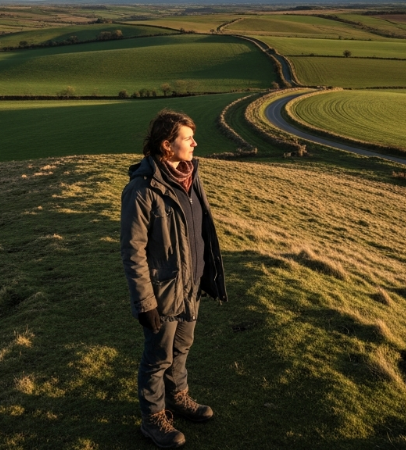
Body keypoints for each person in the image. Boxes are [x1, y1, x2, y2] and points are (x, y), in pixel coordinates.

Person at [120, 109, 227, 448]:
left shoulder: (191, 177)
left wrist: (207, 274)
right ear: (167, 145)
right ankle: (153, 418)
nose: (195, 143)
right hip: (162, 291)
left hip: (191, 286)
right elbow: (133, 251)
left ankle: (177, 399)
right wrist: (144, 302)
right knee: (157, 358)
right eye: (187, 138)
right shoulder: (141, 190)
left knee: (181, 347)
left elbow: (201, 231)